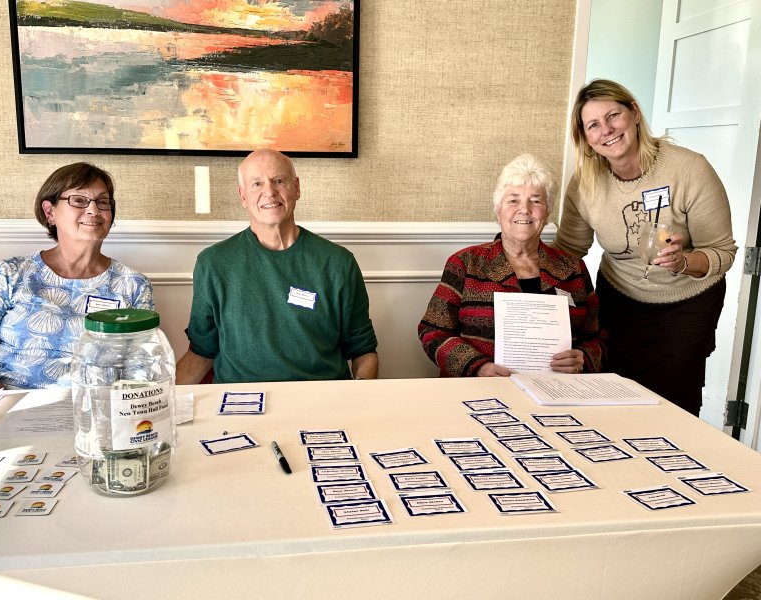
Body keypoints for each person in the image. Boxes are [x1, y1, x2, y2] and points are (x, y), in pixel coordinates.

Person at [555, 79, 737, 415]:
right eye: (593, 125)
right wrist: (514, 260)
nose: (606, 130)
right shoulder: (585, 182)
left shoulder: (689, 169)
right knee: (610, 397)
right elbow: (568, 250)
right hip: (618, 304)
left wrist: (682, 262)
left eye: (614, 115)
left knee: (672, 405)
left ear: (635, 113)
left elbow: (722, 251)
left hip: (686, 307)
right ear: (585, 137)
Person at [175, 149, 378, 384]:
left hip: (321, 400)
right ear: (242, 196)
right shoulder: (213, 264)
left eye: (278, 181)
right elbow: (202, 351)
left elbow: (363, 351)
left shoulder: (338, 263)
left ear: (297, 188)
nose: (269, 192)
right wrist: (160, 406)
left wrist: (359, 401)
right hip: (239, 403)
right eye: (256, 184)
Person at [0, 162, 154, 391]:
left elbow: (141, 370)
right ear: (50, 212)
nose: (93, 210)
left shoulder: (132, 285)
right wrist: (4, 408)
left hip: (92, 412)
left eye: (102, 202)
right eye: (79, 200)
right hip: (6, 405)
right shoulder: (10, 273)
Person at [418, 154, 605, 377]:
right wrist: (478, 367)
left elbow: (597, 338)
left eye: (536, 200)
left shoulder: (573, 269)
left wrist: (583, 357)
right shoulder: (466, 264)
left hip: (555, 391)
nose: (524, 209)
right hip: (478, 391)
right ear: (498, 210)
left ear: (546, 213)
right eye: (513, 200)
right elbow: (433, 332)